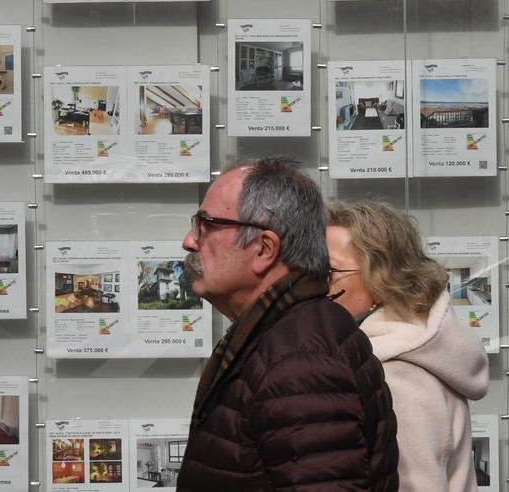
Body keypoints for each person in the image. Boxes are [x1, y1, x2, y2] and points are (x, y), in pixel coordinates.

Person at [176, 157, 399, 491]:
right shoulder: (284, 338)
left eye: (206, 225)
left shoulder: (301, 360)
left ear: (264, 249)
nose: (190, 241)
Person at [327, 200, 489, 492]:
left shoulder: (396, 371)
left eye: (330, 271)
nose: (318, 286)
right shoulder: (411, 350)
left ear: (381, 277)